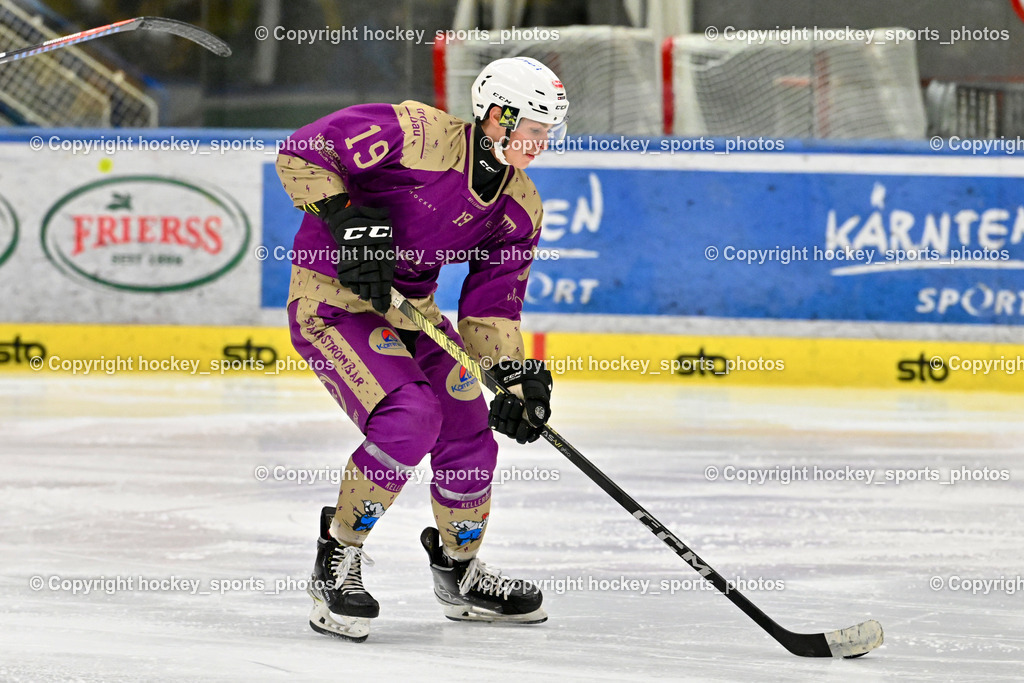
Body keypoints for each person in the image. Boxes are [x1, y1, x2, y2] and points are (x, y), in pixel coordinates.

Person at [274, 56, 569, 642]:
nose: (539, 144)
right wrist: (343, 218)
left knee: (468, 427)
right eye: (532, 129)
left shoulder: (519, 209)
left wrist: (514, 377)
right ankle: (337, 555)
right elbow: (302, 151)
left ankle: (459, 572)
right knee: (411, 416)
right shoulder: (415, 135)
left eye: (548, 133)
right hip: (332, 301)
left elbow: (491, 309)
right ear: (496, 114)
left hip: (412, 314)